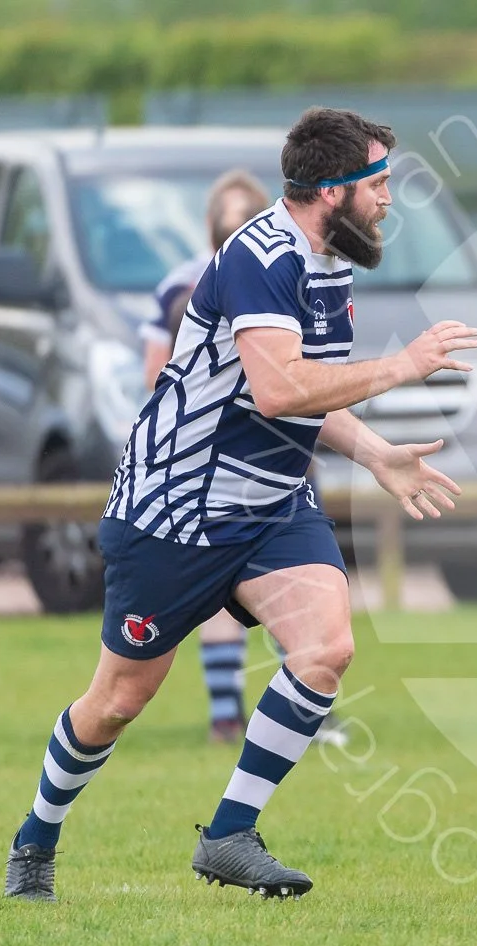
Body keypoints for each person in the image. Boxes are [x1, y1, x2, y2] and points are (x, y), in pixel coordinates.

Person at [4, 106, 477, 902]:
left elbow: (307, 396)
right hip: (177, 510)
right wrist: (401, 368)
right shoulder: (260, 257)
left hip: (271, 507)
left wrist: (377, 454)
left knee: (327, 650)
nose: (389, 199)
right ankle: (35, 839)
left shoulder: (328, 261)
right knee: (119, 702)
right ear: (332, 191)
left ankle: (229, 834)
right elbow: (278, 386)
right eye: (380, 183)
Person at [142, 171, 346, 748]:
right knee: (216, 603)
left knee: (299, 589)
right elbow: (157, 374)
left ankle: (299, 709)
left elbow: (307, 376)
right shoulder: (187, 285)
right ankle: (229, 716)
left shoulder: (298, 268)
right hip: (205, 470)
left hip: (285, 463)